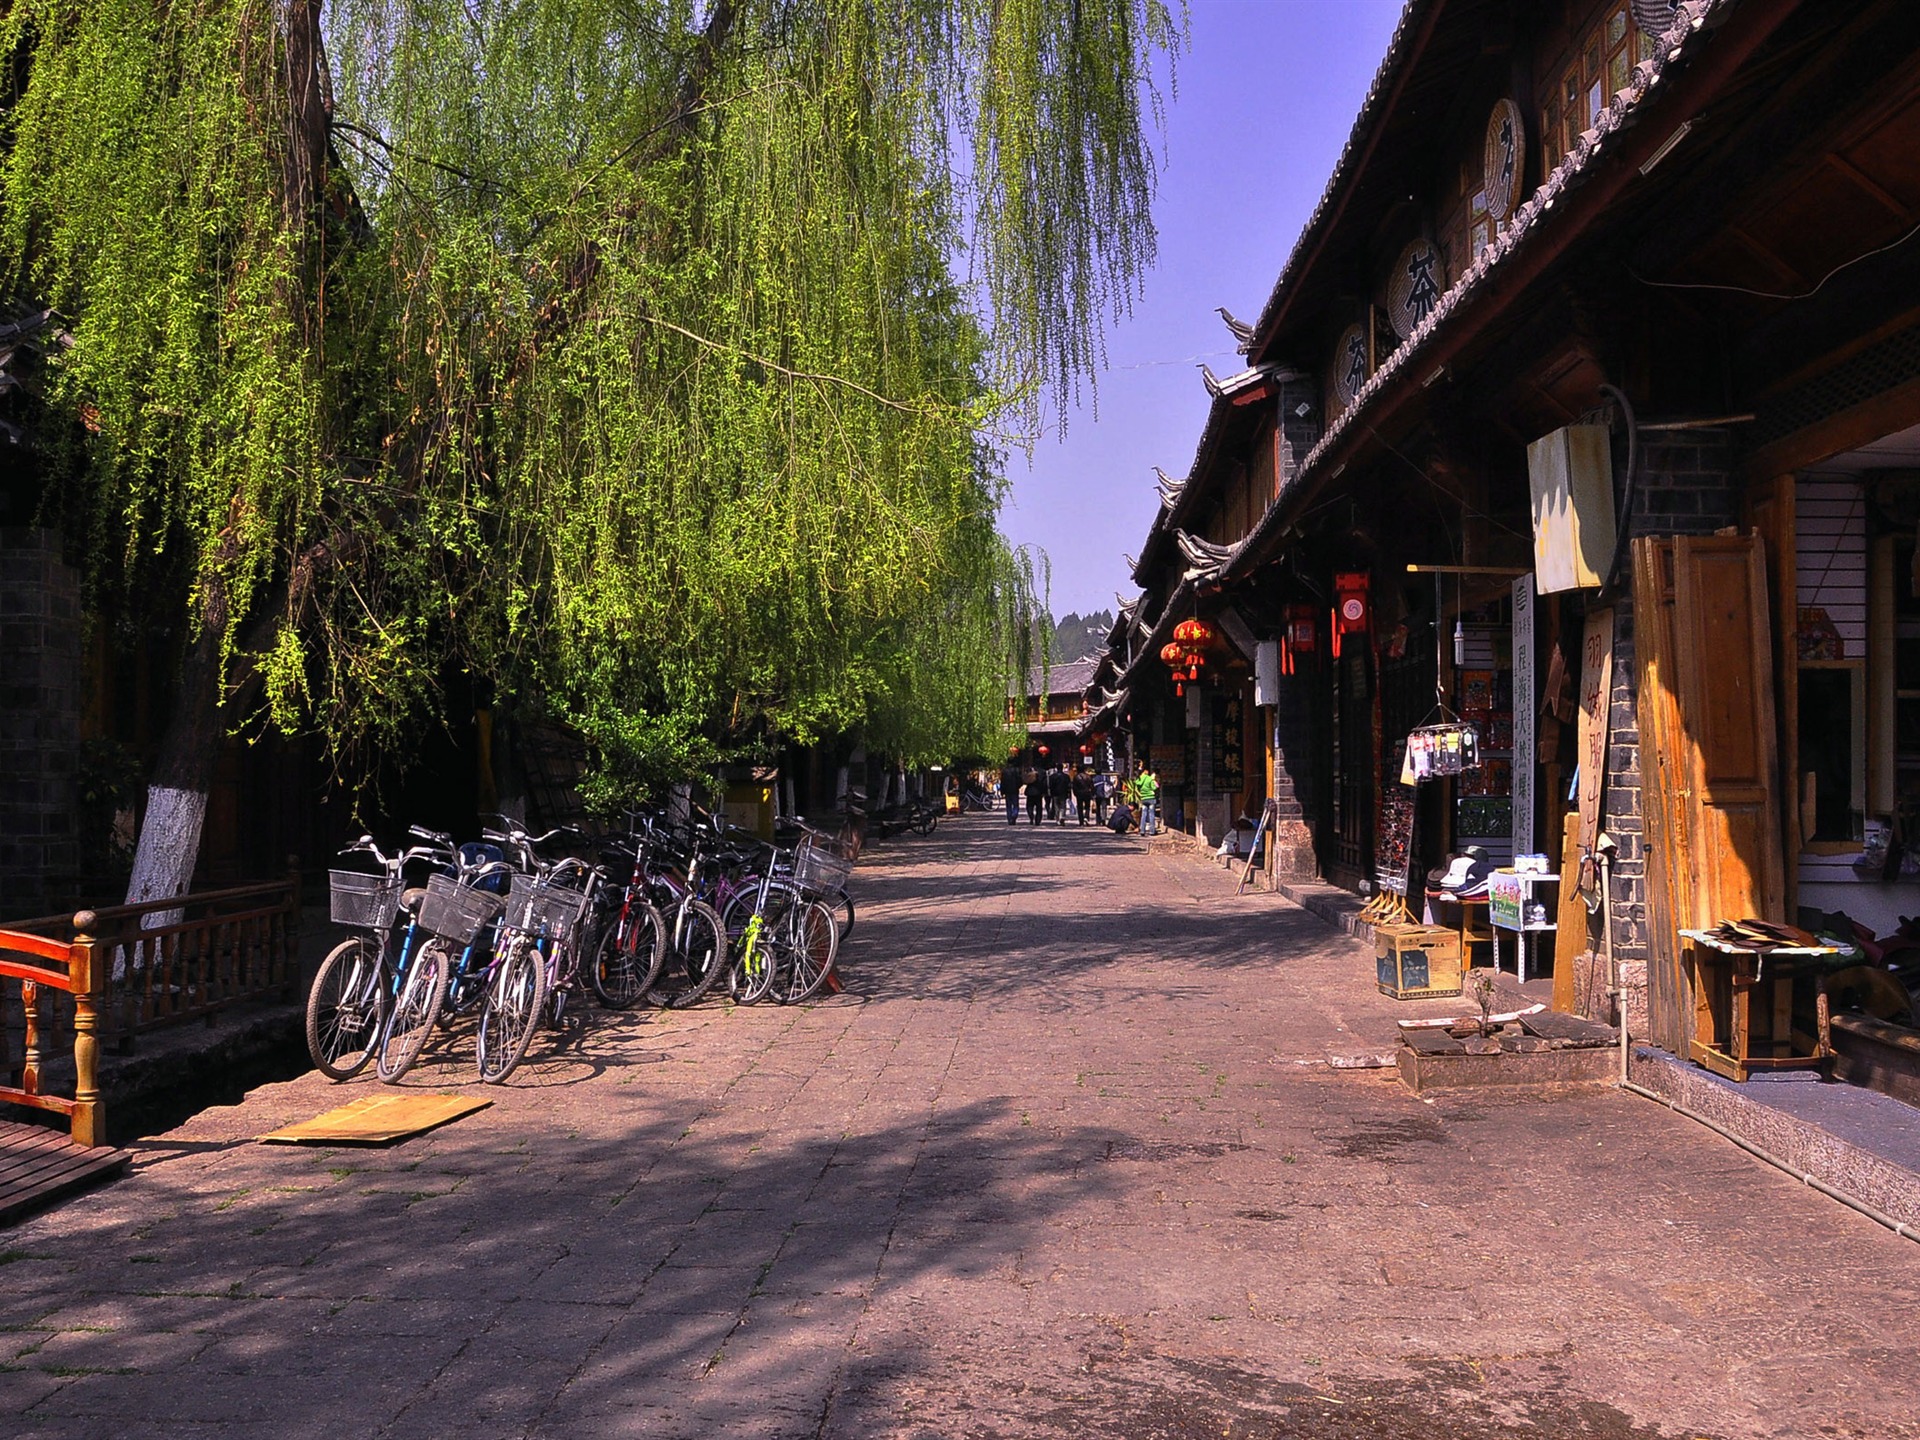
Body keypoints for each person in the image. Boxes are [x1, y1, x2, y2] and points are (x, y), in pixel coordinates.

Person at [1134, 761, 1160, 836]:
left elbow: (1137, 783)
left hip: (1143, 799)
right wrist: (1155, 782)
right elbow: (1154, 787)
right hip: (1151, 798)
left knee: (1143, 814)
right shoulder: (1149, 779)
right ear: (1147, 772)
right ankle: (1152, 831)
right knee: (1151, 814)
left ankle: (1142, 830)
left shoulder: (1140, 779)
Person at [1000, 755, 1023, 825]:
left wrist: (1002, 791)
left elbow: (1002, 782)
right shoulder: (1016, 770)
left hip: (1007, 790)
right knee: (1015, 805)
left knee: (1008, 805)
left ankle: (1009, 818)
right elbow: (1020, 781)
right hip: (1014, 790)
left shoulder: (1004, 771)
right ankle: (1014, 815)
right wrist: (1017, 786)